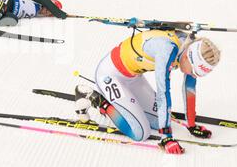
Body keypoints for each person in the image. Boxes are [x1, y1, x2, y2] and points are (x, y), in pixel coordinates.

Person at [74, 29, 221, 154]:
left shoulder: (189, 47)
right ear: (189, 57)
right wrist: (167, 138)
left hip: (133, 77)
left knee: (160, 121)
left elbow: (189, 89)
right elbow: (163, 94)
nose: (194, 76)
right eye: (195, 71)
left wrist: (192, 125)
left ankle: (127, 106)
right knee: (140, 133)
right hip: (110, 74)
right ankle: (96, 99)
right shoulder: (167, 50)